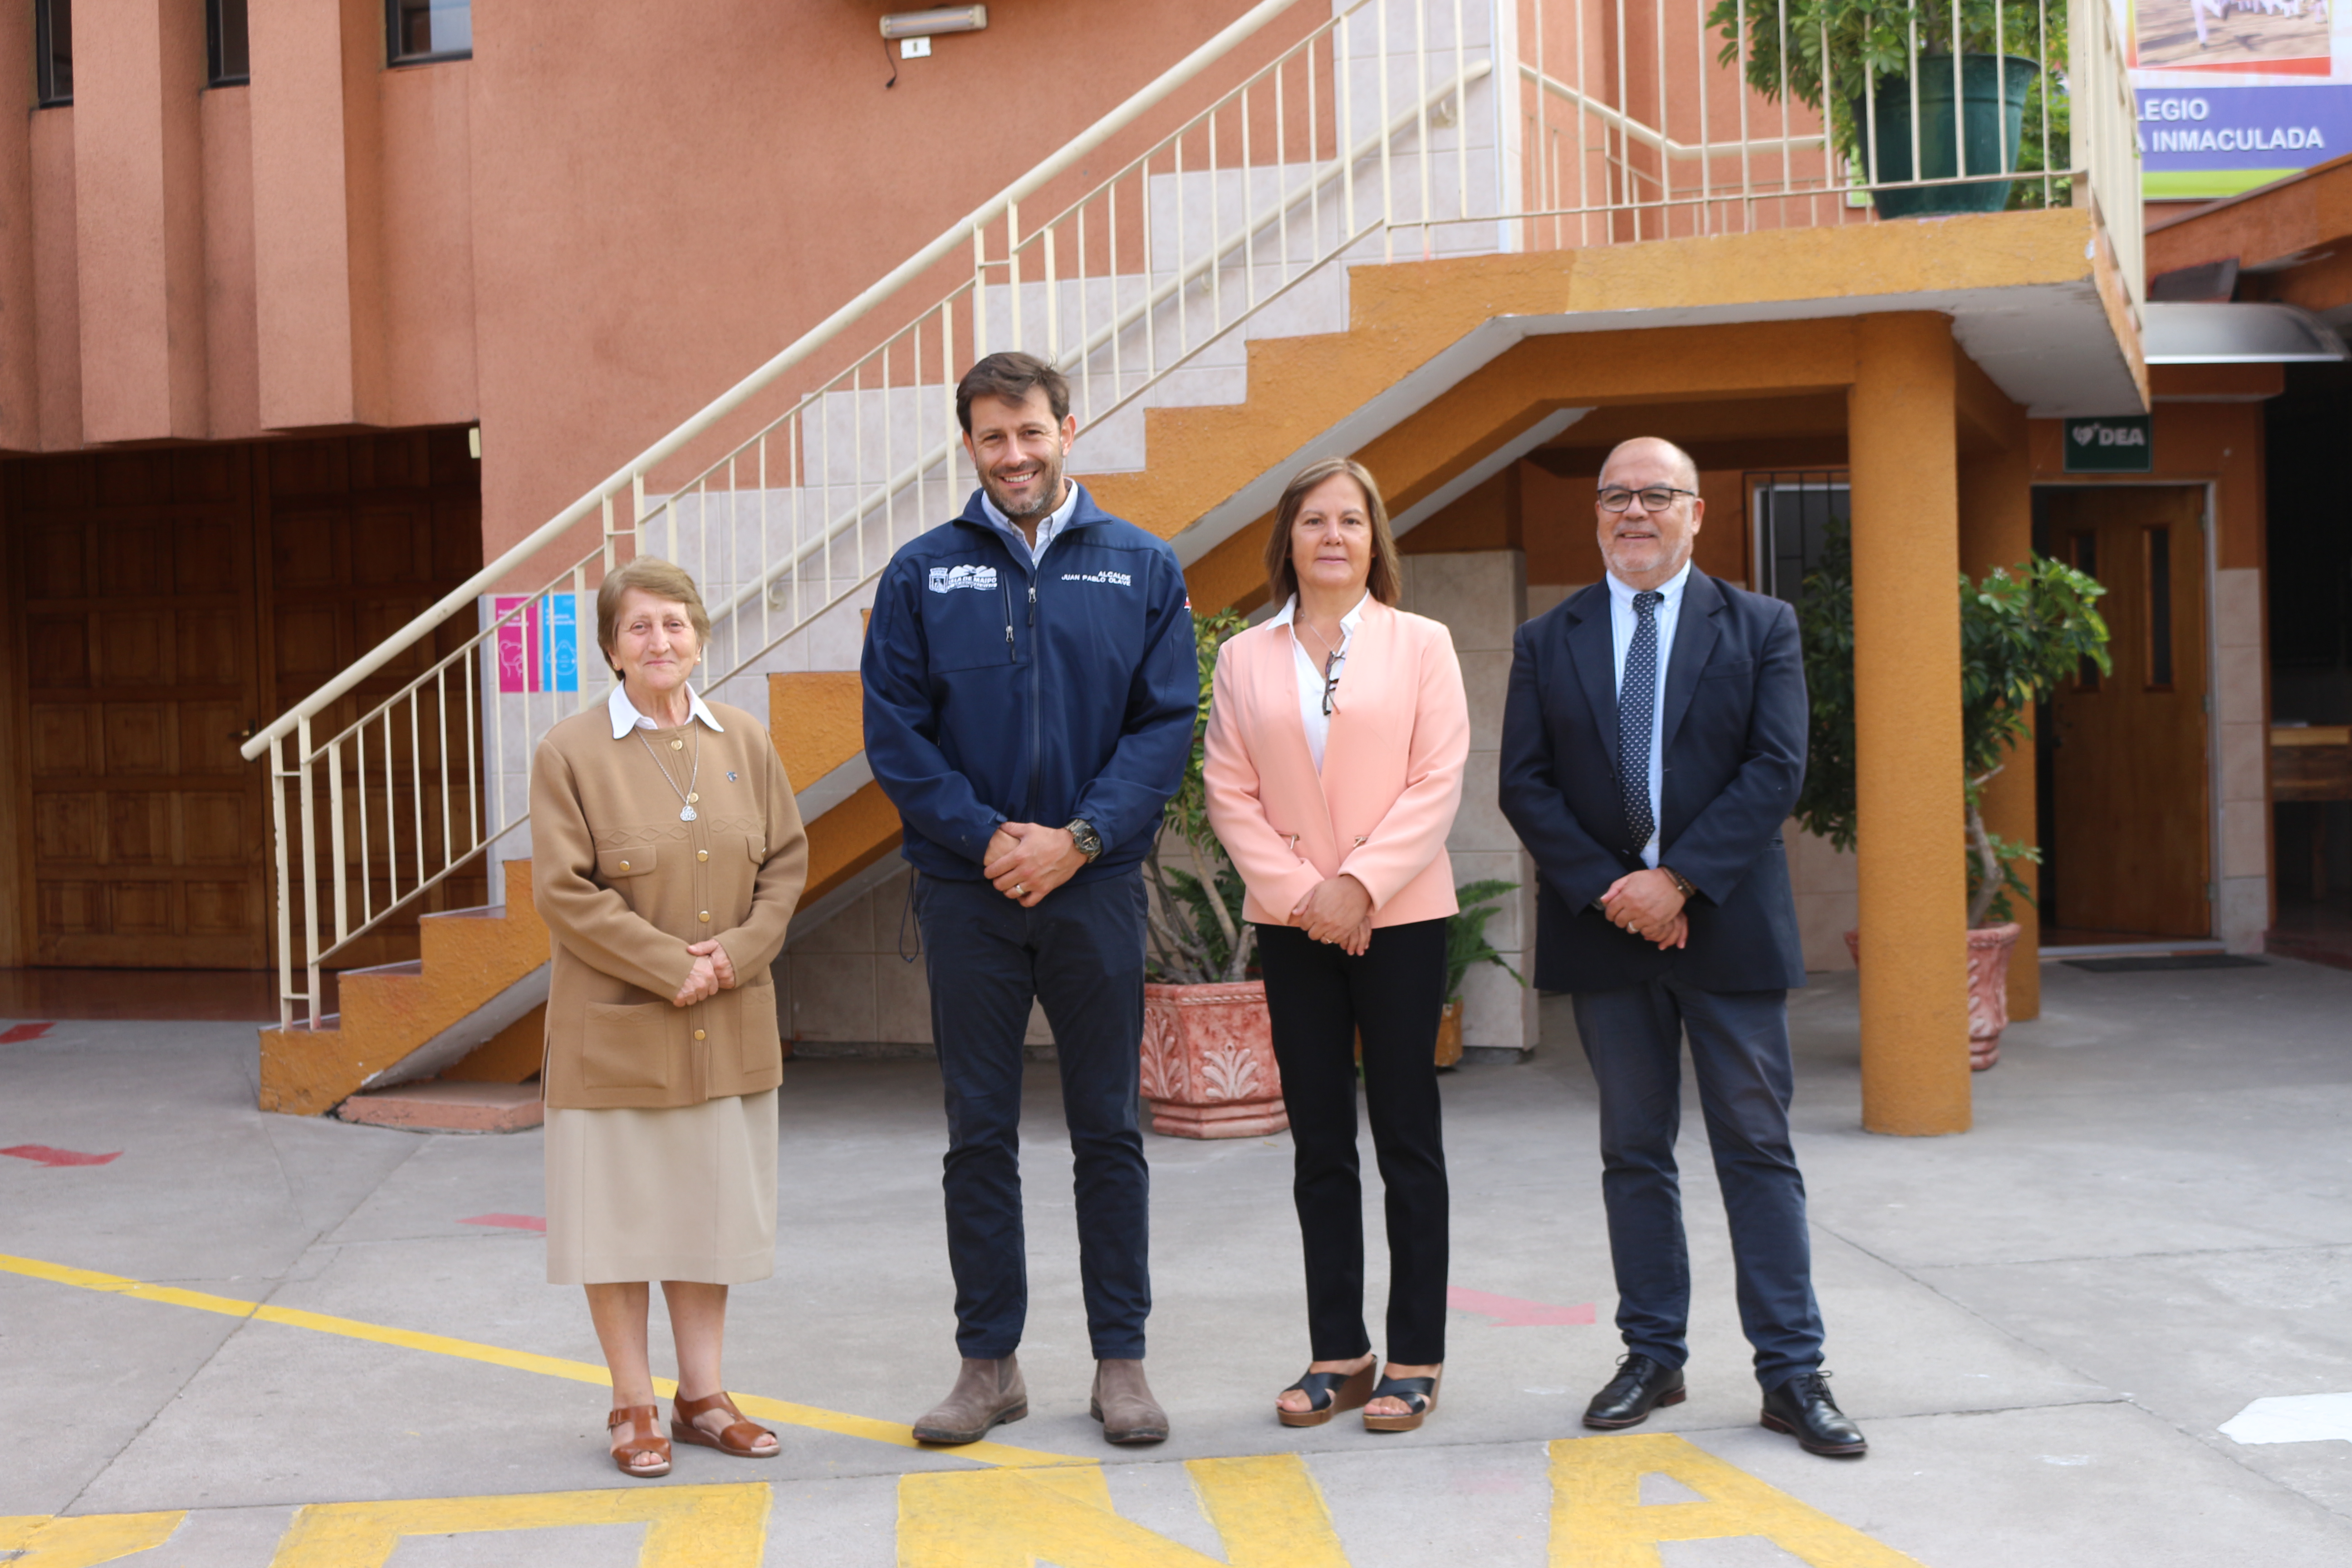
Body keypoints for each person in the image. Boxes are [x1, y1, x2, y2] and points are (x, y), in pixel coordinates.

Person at [1496, 436, 1866, 1458]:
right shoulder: (1548, 636)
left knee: (1756, 1148)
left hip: (1729, 925)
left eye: (1657, 495)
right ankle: (1652, 1355)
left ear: (1697, 512)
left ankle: (1792, 1374)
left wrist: (1680, 880)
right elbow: (1523, 783)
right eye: (1616, 496)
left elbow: (1775, 766)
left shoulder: (1761, 626)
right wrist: (1618, 895)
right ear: (1598, 514)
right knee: (1633, 1150)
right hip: (1606, 932)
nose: (1634, 512)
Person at [862, 352, 1197, 1447]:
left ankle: (1122, 1363)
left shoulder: (1141, 567)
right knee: (978, 1135)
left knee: (1109, 1130)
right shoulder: (922, 573)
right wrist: (988, 838)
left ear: (1068, 430)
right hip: (969, 896)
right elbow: (897, 736)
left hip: (1092, 888)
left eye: (1031, 433)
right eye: (993, 438)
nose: (1014, 455)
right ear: (970, 445)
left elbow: (1163, 726)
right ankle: (988, 1364)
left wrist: (1080, 840)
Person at [1202, 457, 1469, 1433]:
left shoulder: (1423, 645)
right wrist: (1306, 896)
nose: (1332, 536)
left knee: (1407, 1138)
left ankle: (1415, 1357)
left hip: (1399, 915)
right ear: (1289, 539)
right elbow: (1230, 791)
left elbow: (1437, 778)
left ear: (1373, 538)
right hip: (1296, 925)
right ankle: (1340, 1353)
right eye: (1313, 520)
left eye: (1350, 521)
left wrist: (1359, 885)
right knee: (1320, 1139)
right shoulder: (1245, 657)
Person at [531, 555, 808, 1478]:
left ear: (701, 637)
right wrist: (667, 967)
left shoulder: (743, 740)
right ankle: (632, 1402)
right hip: (614, 1030)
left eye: (676, 624)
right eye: (640, 626)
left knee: (707, 1215)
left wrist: (735, 954)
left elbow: (786, 865)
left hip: (725, 1020)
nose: (660, 641)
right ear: (611, 647)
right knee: (618, 1223)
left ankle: (703, 1396)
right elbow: (565, 893)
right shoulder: (569, 752)